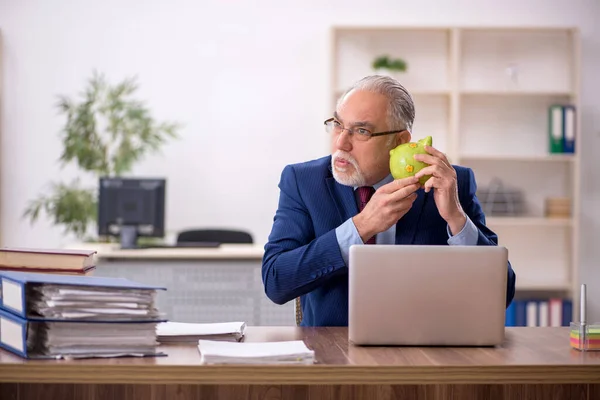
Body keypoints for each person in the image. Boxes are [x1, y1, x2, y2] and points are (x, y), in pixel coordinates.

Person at [261, 75, 516, 327]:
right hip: (333, 353)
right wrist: (360, 228)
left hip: (425, 353)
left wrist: (457, 220)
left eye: (361, 131)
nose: (341, 142)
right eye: (338, 124)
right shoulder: (303, 181)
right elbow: (276, 281)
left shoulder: (448, 182)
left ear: (401, 141)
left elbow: (501, 294)